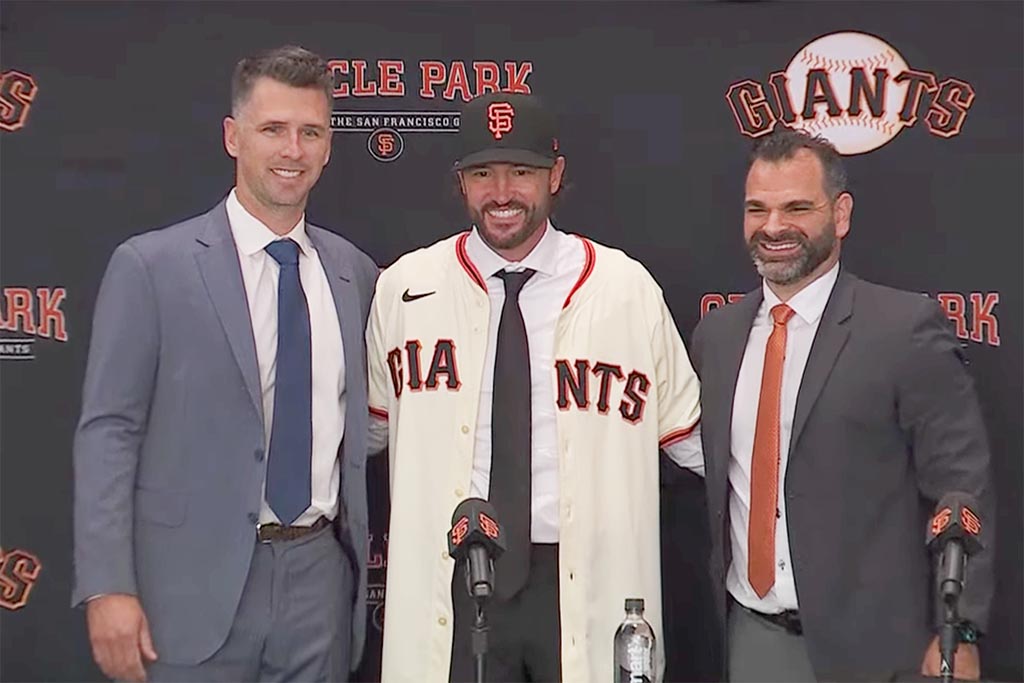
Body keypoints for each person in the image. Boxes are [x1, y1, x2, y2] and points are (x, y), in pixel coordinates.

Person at [365, 91, 703, 682]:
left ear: (556, 175)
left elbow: (695, 446)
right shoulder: (404, 288)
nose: (502, 193)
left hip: (584, 576)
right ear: (460, 181)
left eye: (521, 171)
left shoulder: (625, 289)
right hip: (454, 570)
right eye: (482, 174)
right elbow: (360, 438)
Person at [72, 45, 378, 682]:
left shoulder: (355, 274)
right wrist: (107, 584)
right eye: (273, 129)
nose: (292, 149)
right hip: (186, 587)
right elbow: (109, 432)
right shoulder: (151, 268)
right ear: (233, 137)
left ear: (328, 148)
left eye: (310, 132)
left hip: (320, 581)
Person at [689, 128, 995, 682]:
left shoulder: (902, 330)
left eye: (797, 208)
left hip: (880, 649)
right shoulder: (717, 337)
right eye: (757, 209)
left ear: (842, 213)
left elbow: (961, 486)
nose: (773, 226)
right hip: (752, 638)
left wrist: (961, 629)